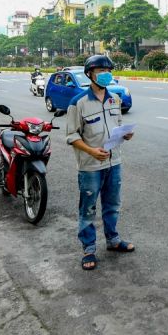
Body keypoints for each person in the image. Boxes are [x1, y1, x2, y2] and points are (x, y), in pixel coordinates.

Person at [66, 55, 135, 271]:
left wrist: (126, 135)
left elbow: (119, 125)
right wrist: (91, 151)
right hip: (90, 166)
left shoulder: (115, 99)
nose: (105, 73)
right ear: (90, 74)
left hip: (114, 163)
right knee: (88, 208)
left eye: (108, 70)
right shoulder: (78, 103)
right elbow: (71, 136)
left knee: (112, 205)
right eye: (100, 70)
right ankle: (89, 249)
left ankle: (113, 240)